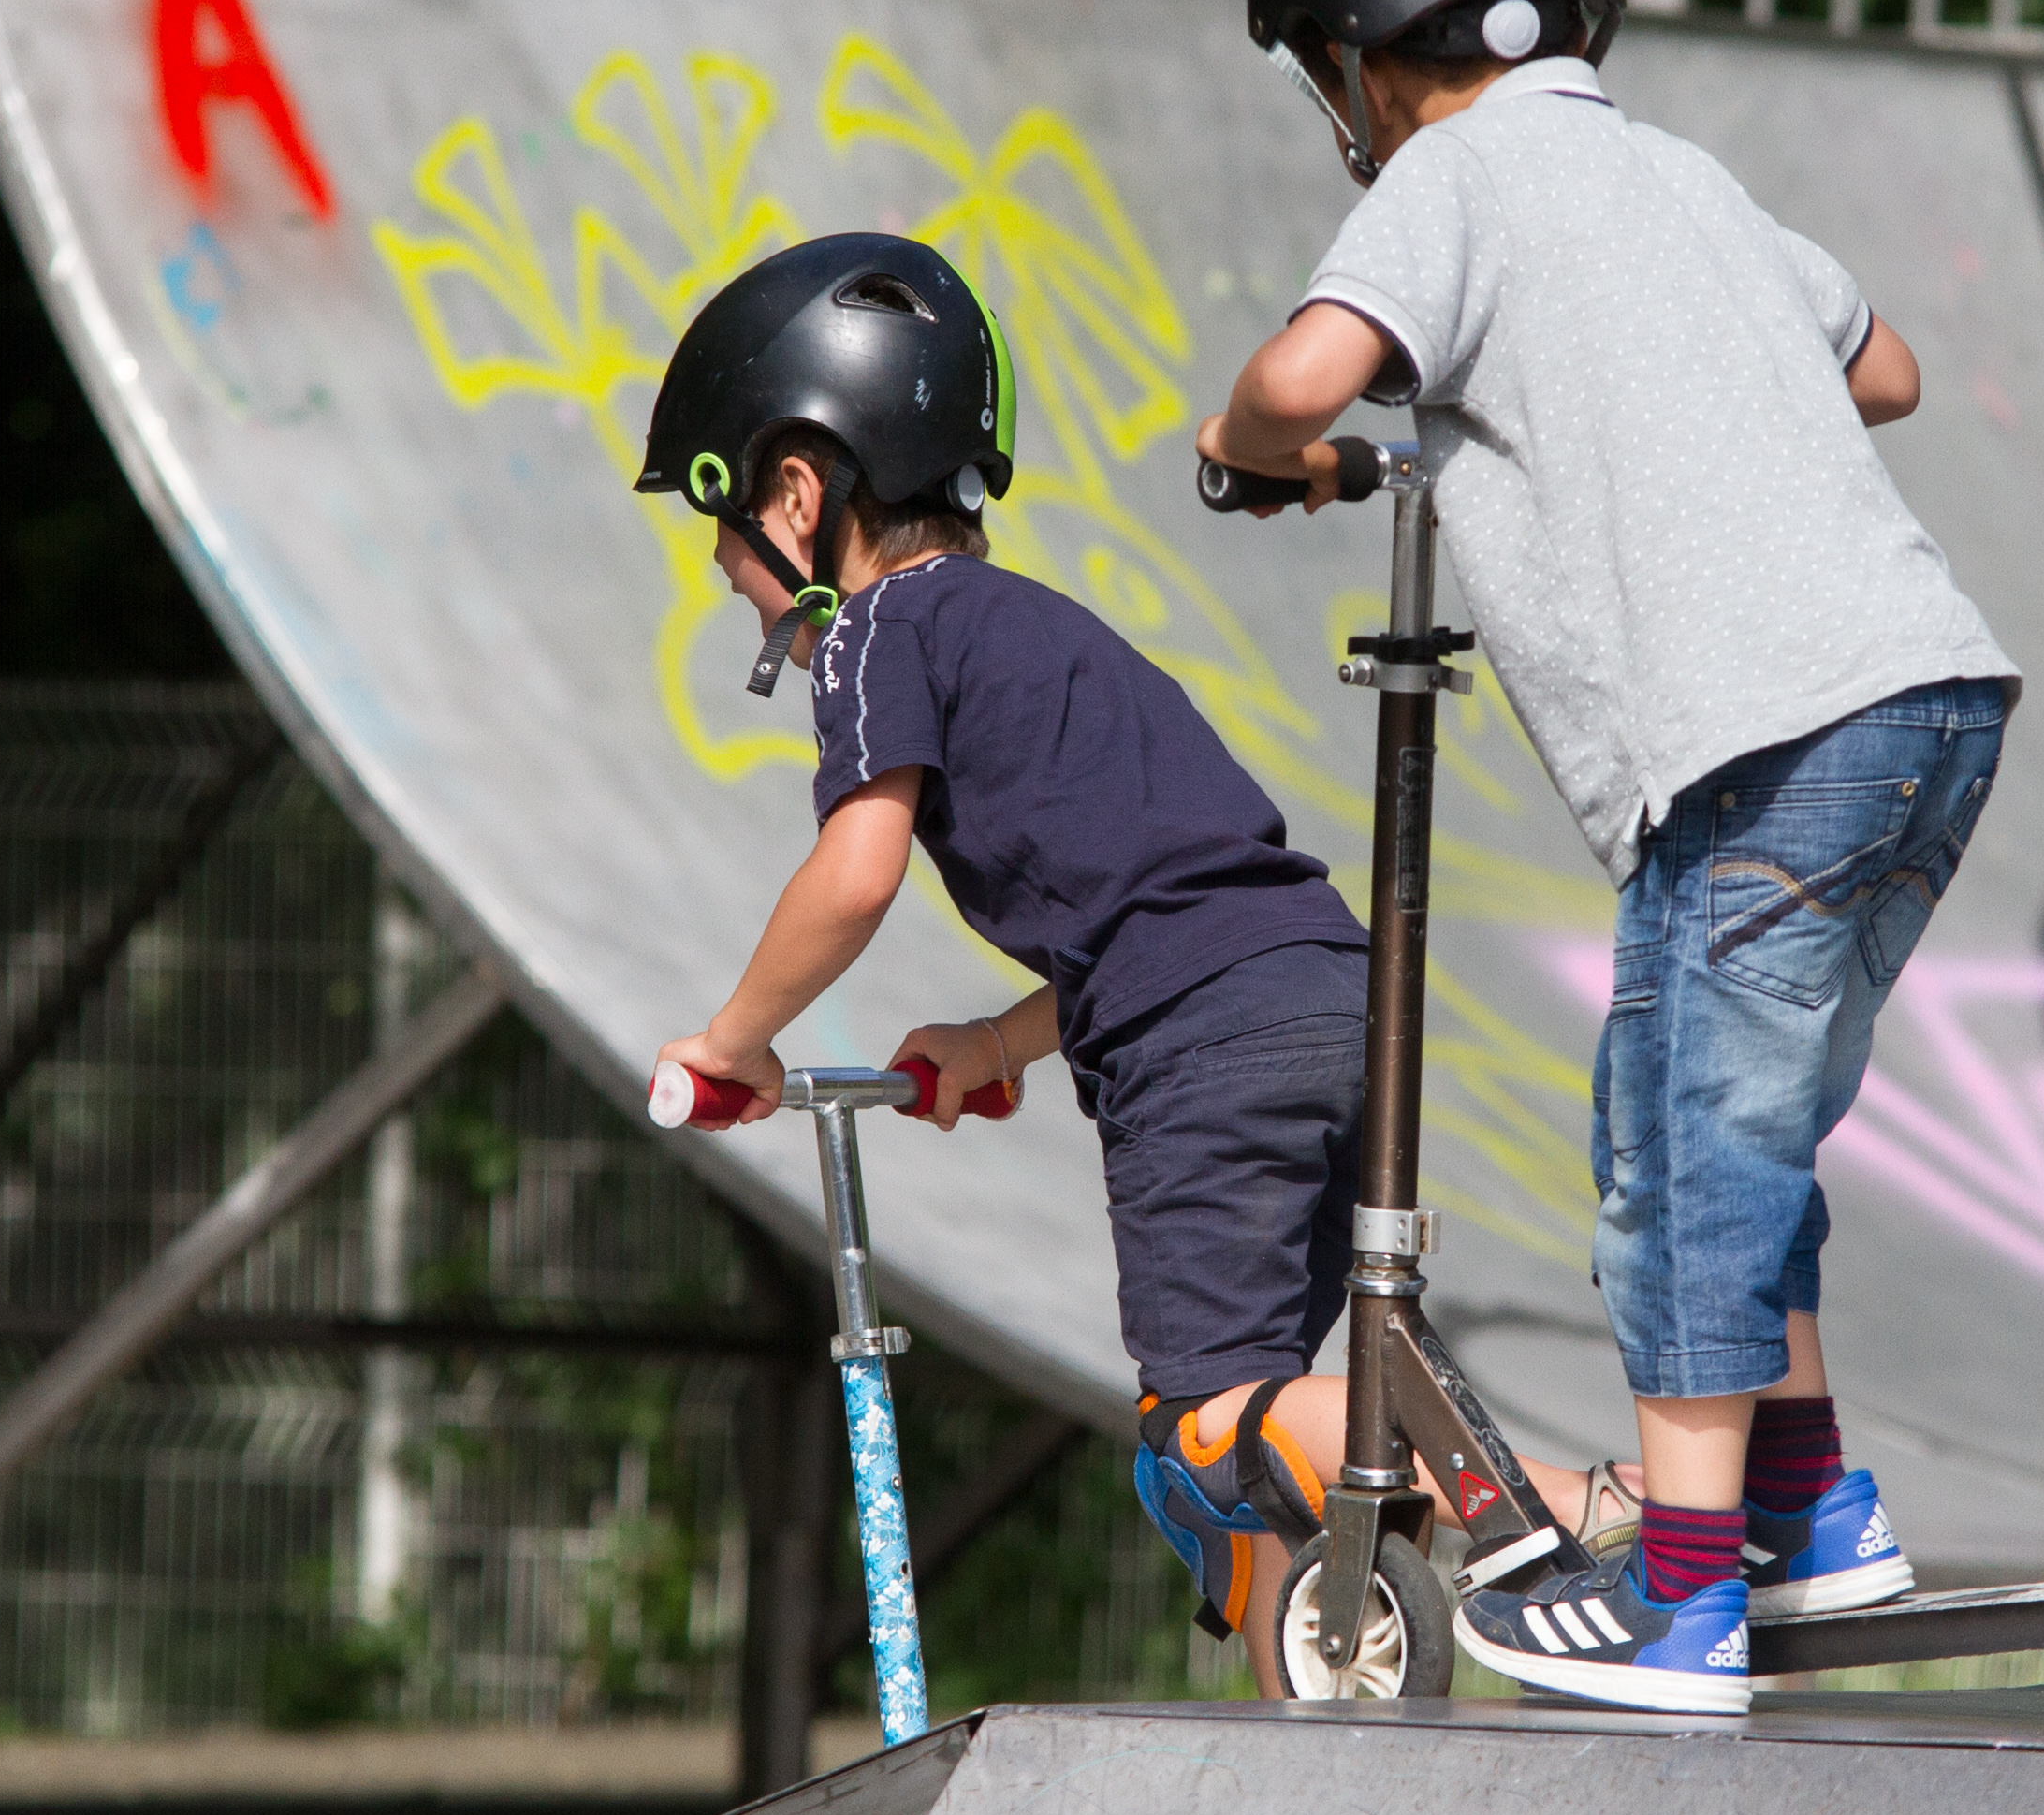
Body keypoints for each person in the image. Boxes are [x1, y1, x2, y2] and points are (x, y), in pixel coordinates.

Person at [1202, 0, 2019, 1716]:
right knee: (1742, 1118)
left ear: (1354, 57)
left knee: (1671, 1154)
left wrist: (1262, 455)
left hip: (1757, 745)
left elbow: (1295, 383)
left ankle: (1685, 1601)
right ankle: (1813, 1521)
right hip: (1923, 710)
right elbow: (1881, 368)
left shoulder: (1445, 187)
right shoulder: (1680, 177)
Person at [638, 229, 1617, 1695]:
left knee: (1203, 1420)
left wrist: (735, 1039)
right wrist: (997, 1043)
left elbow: (855, 873)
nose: (729, 578)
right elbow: (1173, 902)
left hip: (1202, 1059)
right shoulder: (1045, 630)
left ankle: (1603, 1512)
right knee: (1274, 1435)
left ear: (798, 490)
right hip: (1332, 1005)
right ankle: (1322, 1705)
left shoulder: (876, 631)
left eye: (724, 533)